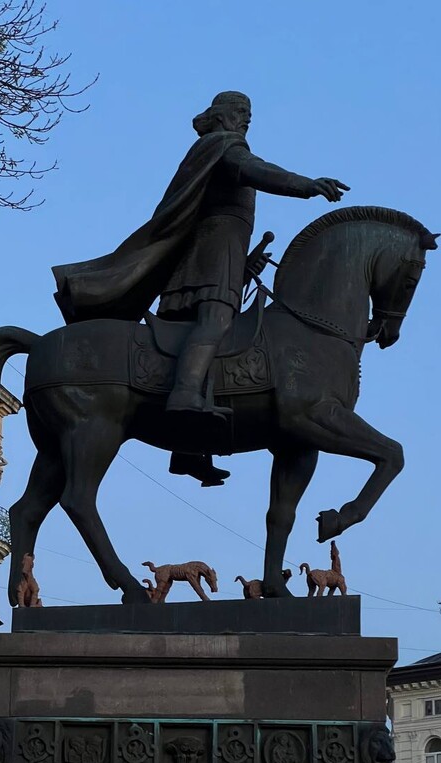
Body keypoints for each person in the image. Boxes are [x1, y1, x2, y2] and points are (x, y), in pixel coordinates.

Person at [52, 91, 349, 485]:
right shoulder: (224, 145)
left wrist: (245, 265)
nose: (246, 120)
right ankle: (185, 395)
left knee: (205, 340)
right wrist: (305, 185)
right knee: (215, 324)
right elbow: (256, 170)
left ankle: (189, 447)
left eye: (250, 115)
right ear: (222, 115)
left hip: (216, 255)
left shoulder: (214, 149)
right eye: (241, 112)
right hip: (212, 255)